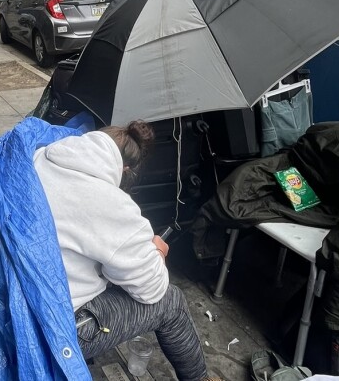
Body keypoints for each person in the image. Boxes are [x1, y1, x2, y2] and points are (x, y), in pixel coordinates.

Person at [34, 121, 217, 381]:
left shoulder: (40, 157)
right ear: (126, 169)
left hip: (11, 300)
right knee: (171, 303)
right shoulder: (112, 204)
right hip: (52, 328)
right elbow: (151, 289)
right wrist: (157, 254)